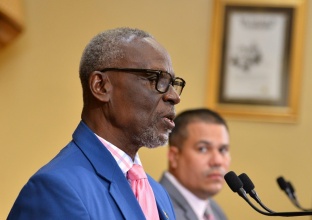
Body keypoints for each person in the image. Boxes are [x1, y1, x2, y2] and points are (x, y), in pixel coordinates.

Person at [8, 27, 186, 220]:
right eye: (157, 79)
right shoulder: (56, 188)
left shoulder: (158, 193)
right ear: (100, 86)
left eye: (173, 83)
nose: (174, 96)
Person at [159, 108, 230, 220]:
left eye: (222, 150)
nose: (217, 161)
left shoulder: (215, 210)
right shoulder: (158, 209)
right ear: (174, 156)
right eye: (202, 149)